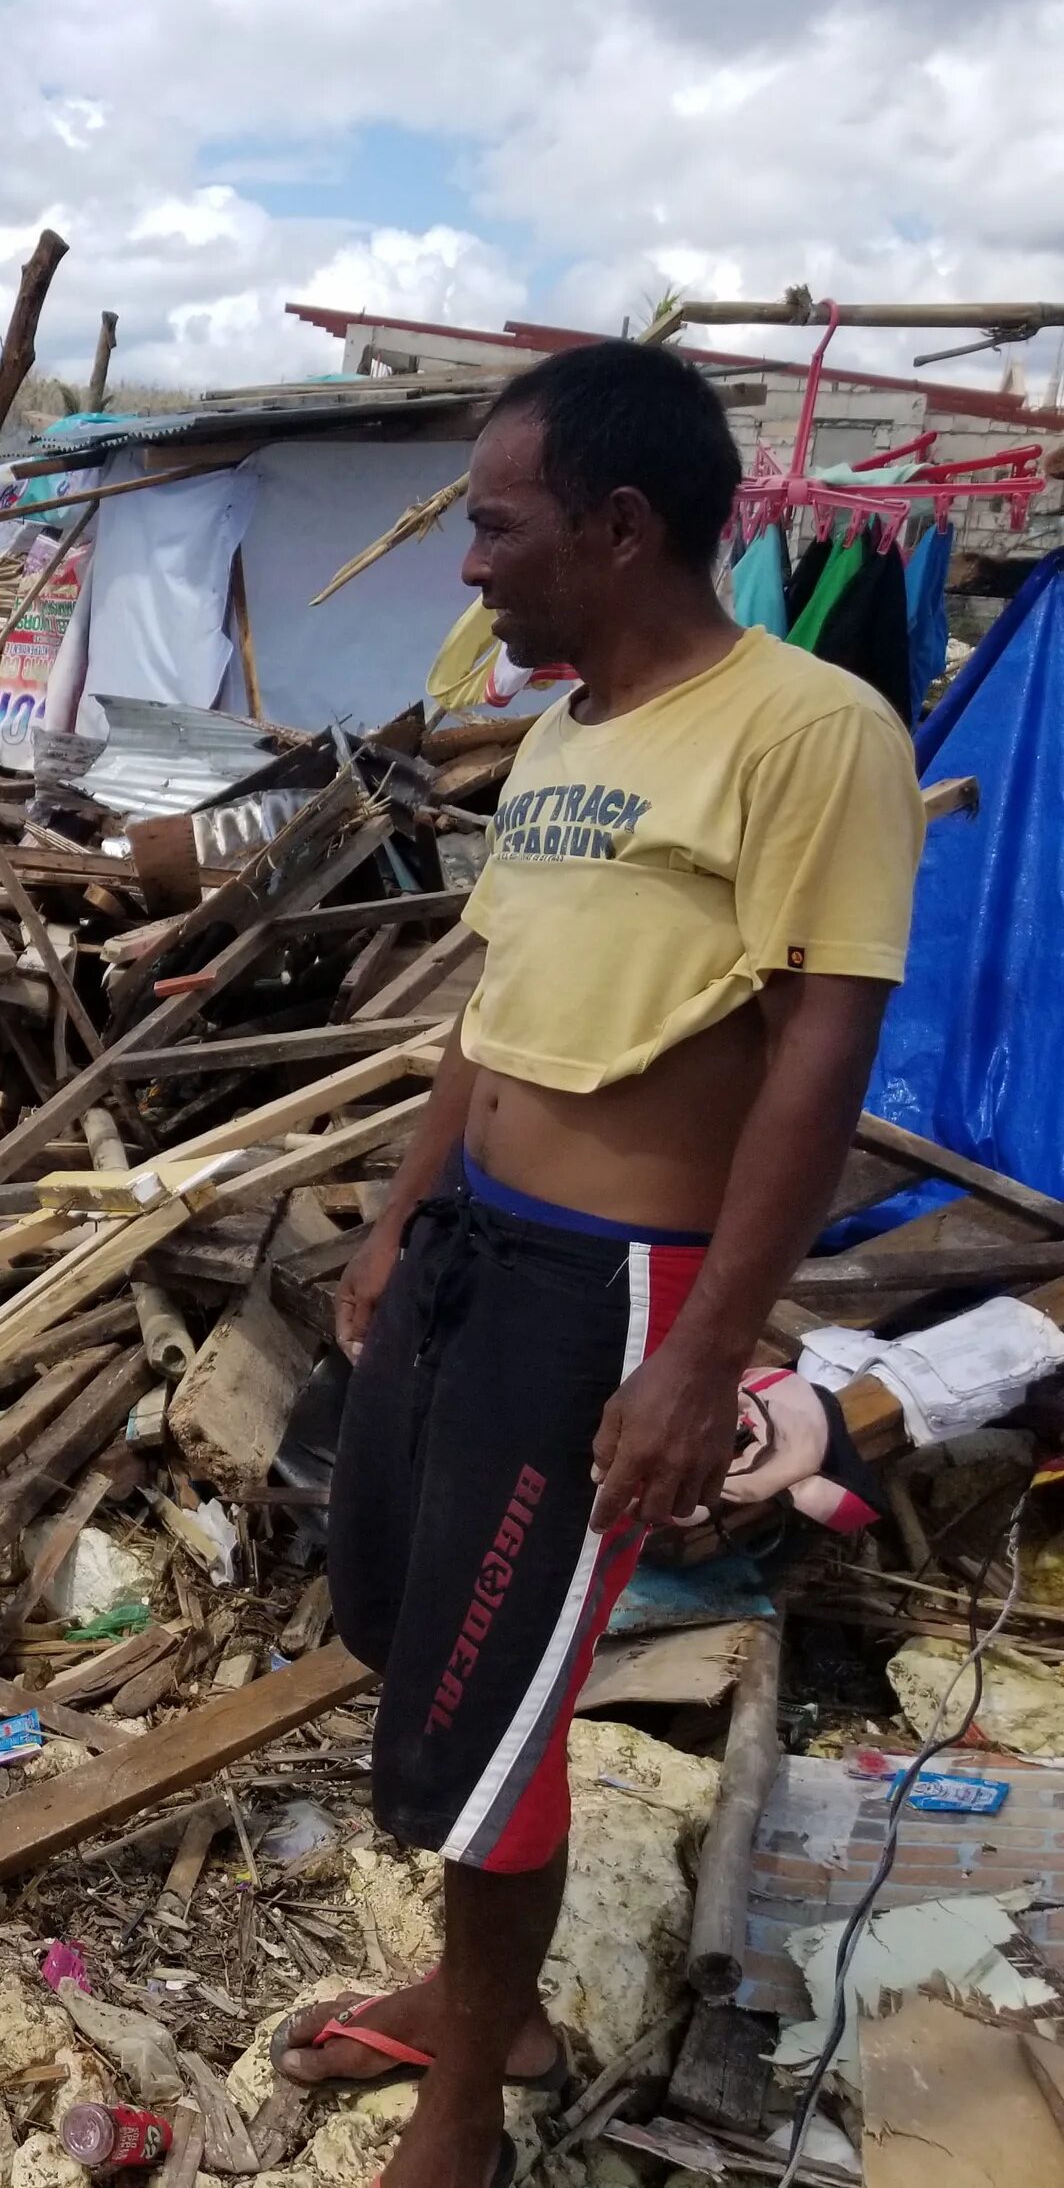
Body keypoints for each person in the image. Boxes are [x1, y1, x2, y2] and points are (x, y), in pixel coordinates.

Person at [277, 342, 924, 2188]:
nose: (469, 566)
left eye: (496, 524)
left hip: (616, 1287)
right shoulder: (567, 735)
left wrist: (705, 1354)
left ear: (622, 526)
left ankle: (466, 2108)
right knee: (424, 1652)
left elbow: (820, 1051)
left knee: (497, 1687)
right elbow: (497, 1005)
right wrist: (403, 1217)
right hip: (480, 1251)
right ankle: (502, 1999)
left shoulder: (809, 731)